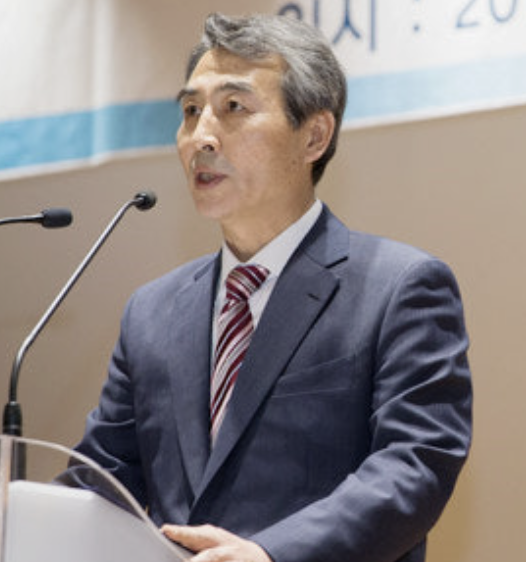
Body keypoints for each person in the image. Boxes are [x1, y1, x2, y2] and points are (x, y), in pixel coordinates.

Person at [74, 12, 472, 562]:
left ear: (314, 136)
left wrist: (270, 555)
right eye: (190, 111)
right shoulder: (151, 313)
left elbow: (414, 465)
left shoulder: (399, 289)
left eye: (233, 107)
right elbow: (99, 485)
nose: (201, 136)